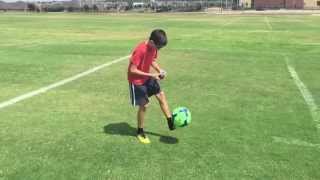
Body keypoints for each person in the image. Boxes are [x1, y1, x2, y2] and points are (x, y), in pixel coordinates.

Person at [128, 29, 175, 144]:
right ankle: (140, 131)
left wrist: (159, 70)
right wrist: (152, 75)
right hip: (136, 81)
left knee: (161, 95)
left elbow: (152, 60)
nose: (158, 49)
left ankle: (170, 121)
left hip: (147, 77)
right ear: (152, 42)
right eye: (158, 47)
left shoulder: (154, 48)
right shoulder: (140, 50)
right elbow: (132, 70)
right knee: (145, 105)